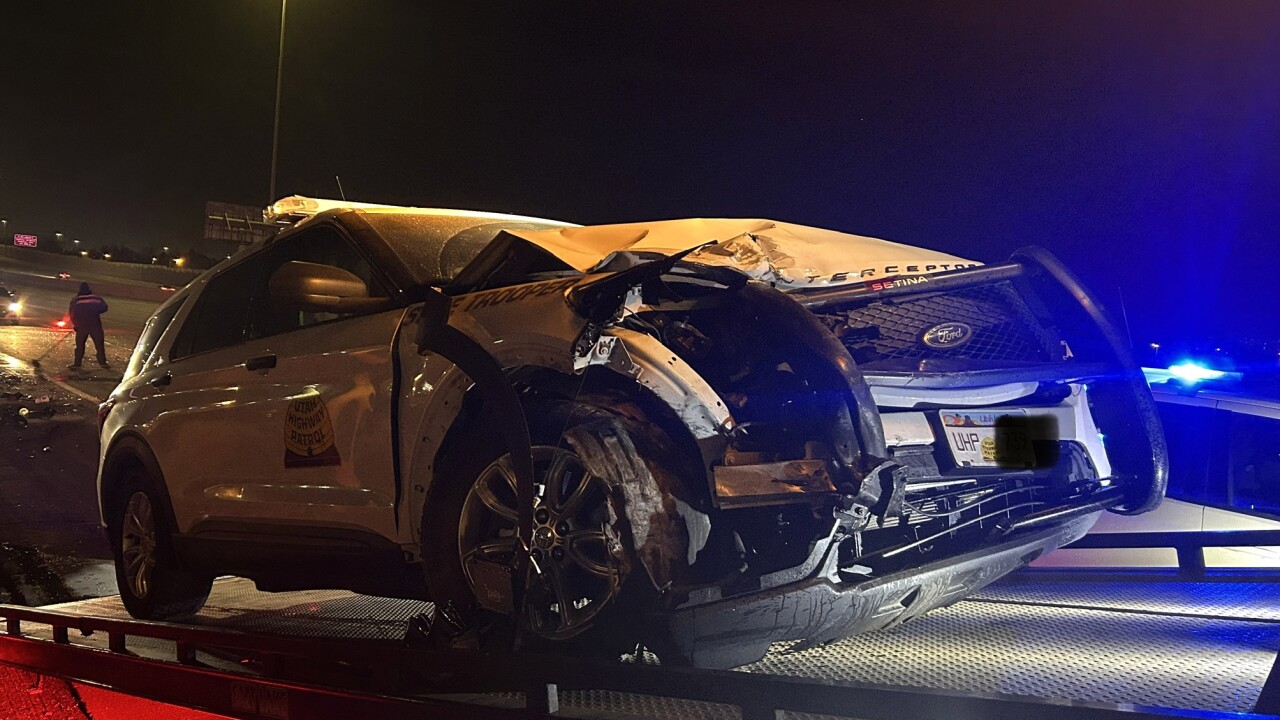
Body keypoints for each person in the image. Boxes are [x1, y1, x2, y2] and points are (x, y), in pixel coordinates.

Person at [69, 282, 109, 368]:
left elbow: (72, 314)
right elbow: (104, 308)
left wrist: (75, 325)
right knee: (99, 345)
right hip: (95, 324)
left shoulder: (76, 300)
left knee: (80, 346)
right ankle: (103, 363)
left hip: (82, 325)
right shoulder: (96, 298)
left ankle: (77, 364)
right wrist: (95, 311)